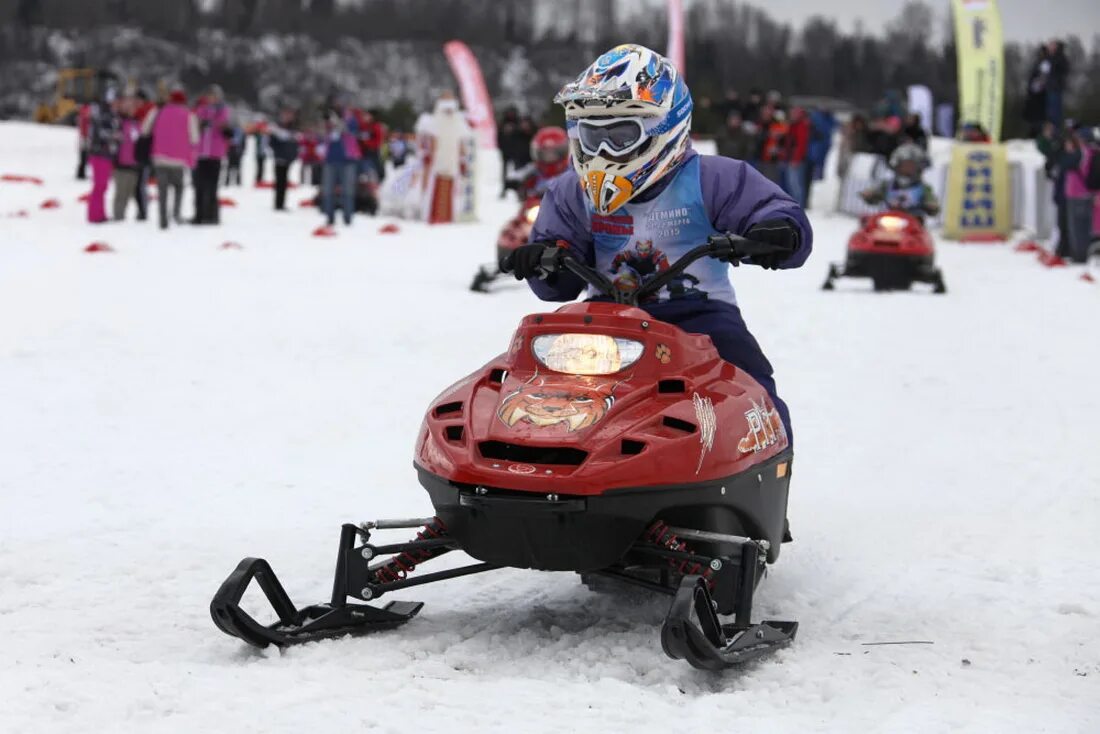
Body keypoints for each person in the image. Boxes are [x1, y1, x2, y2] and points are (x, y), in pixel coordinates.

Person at [502, 44, 812, 439]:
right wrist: (545, 260)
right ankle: (543, 452)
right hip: (605, 316)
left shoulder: (711, 178)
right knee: (548, 379)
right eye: (591, 135)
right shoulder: (571, 191)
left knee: (749, 385)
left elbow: (771, 210)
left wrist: (777, 232)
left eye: (618, 135)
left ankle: (765, 457)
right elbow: (558, 275)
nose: (601, 152)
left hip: (699, 314)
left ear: (663, 127)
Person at [143, 87, 199, 230]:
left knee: (162, 190)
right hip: (179, 159)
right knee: (179, 187)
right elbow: (195, 138)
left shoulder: (158, 111)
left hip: (159, 157)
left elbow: (144, 129)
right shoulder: (188, 115)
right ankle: (176, 213)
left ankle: (163, 220)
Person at [859, 143, 939, 219]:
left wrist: (931, 206)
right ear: (897, 167)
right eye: (904, 166)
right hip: (888, 220)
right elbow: (875, 195)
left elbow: (932, 202)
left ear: (918, 169)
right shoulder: (887, 185)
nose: (907, 169)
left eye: (911, 167)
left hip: (913, 225)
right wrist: (869, 195)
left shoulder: (923, 188)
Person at [193, 84, 231, 224]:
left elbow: (226, 128)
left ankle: (212, 215)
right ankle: (199, 214)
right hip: (201, 153)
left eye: (214, 96)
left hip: (215, 154)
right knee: (199, 185)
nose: (211, 99)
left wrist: (220, 126)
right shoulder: (201, 110)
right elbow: (194, 125)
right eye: (209, 96)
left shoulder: (223, 111)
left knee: (212, 186)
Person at [320, 98, 361, 226]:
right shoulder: (327, 118)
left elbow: (352, 130)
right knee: (328, 191)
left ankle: (348, 218)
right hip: (330, 159)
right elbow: (321, 135)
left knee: (348, 191)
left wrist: (340, 123)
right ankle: (329, 218)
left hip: (347, 160)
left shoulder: (350, 118)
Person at [1062, 125, 1098, 263]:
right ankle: (1082, 254)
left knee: (1077, 228)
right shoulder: (1094, 152)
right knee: (1085, 227)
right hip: (1088, 193)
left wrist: (1068, 152)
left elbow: (1064, 164)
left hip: (1077, 193)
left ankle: (1079, 257)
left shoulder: (1081, 153)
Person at [86, 91, 120, 224]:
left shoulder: (108, 114)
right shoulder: (104, 115)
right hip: (100, 154)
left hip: (103, 154)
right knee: (99, 185)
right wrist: (114, 136)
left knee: (102, 186)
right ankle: (95, 215)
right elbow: (101, 133)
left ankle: (99, 213)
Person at [111, 94, 143, 221]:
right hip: (120, 163)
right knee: (120, 192)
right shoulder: (118, 122)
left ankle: (122, 215)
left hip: (133, 163)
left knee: (129, 191)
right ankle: (118, 216)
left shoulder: (137, 123)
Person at [269, 106, 300, 211]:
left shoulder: (293, 128)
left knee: (284, 181)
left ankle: (281, 203)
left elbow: (295, 144)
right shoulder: (277, 128)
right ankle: (278, 204)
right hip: (279, 157)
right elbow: (272, 143)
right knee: (280, 181)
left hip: (288, 158)